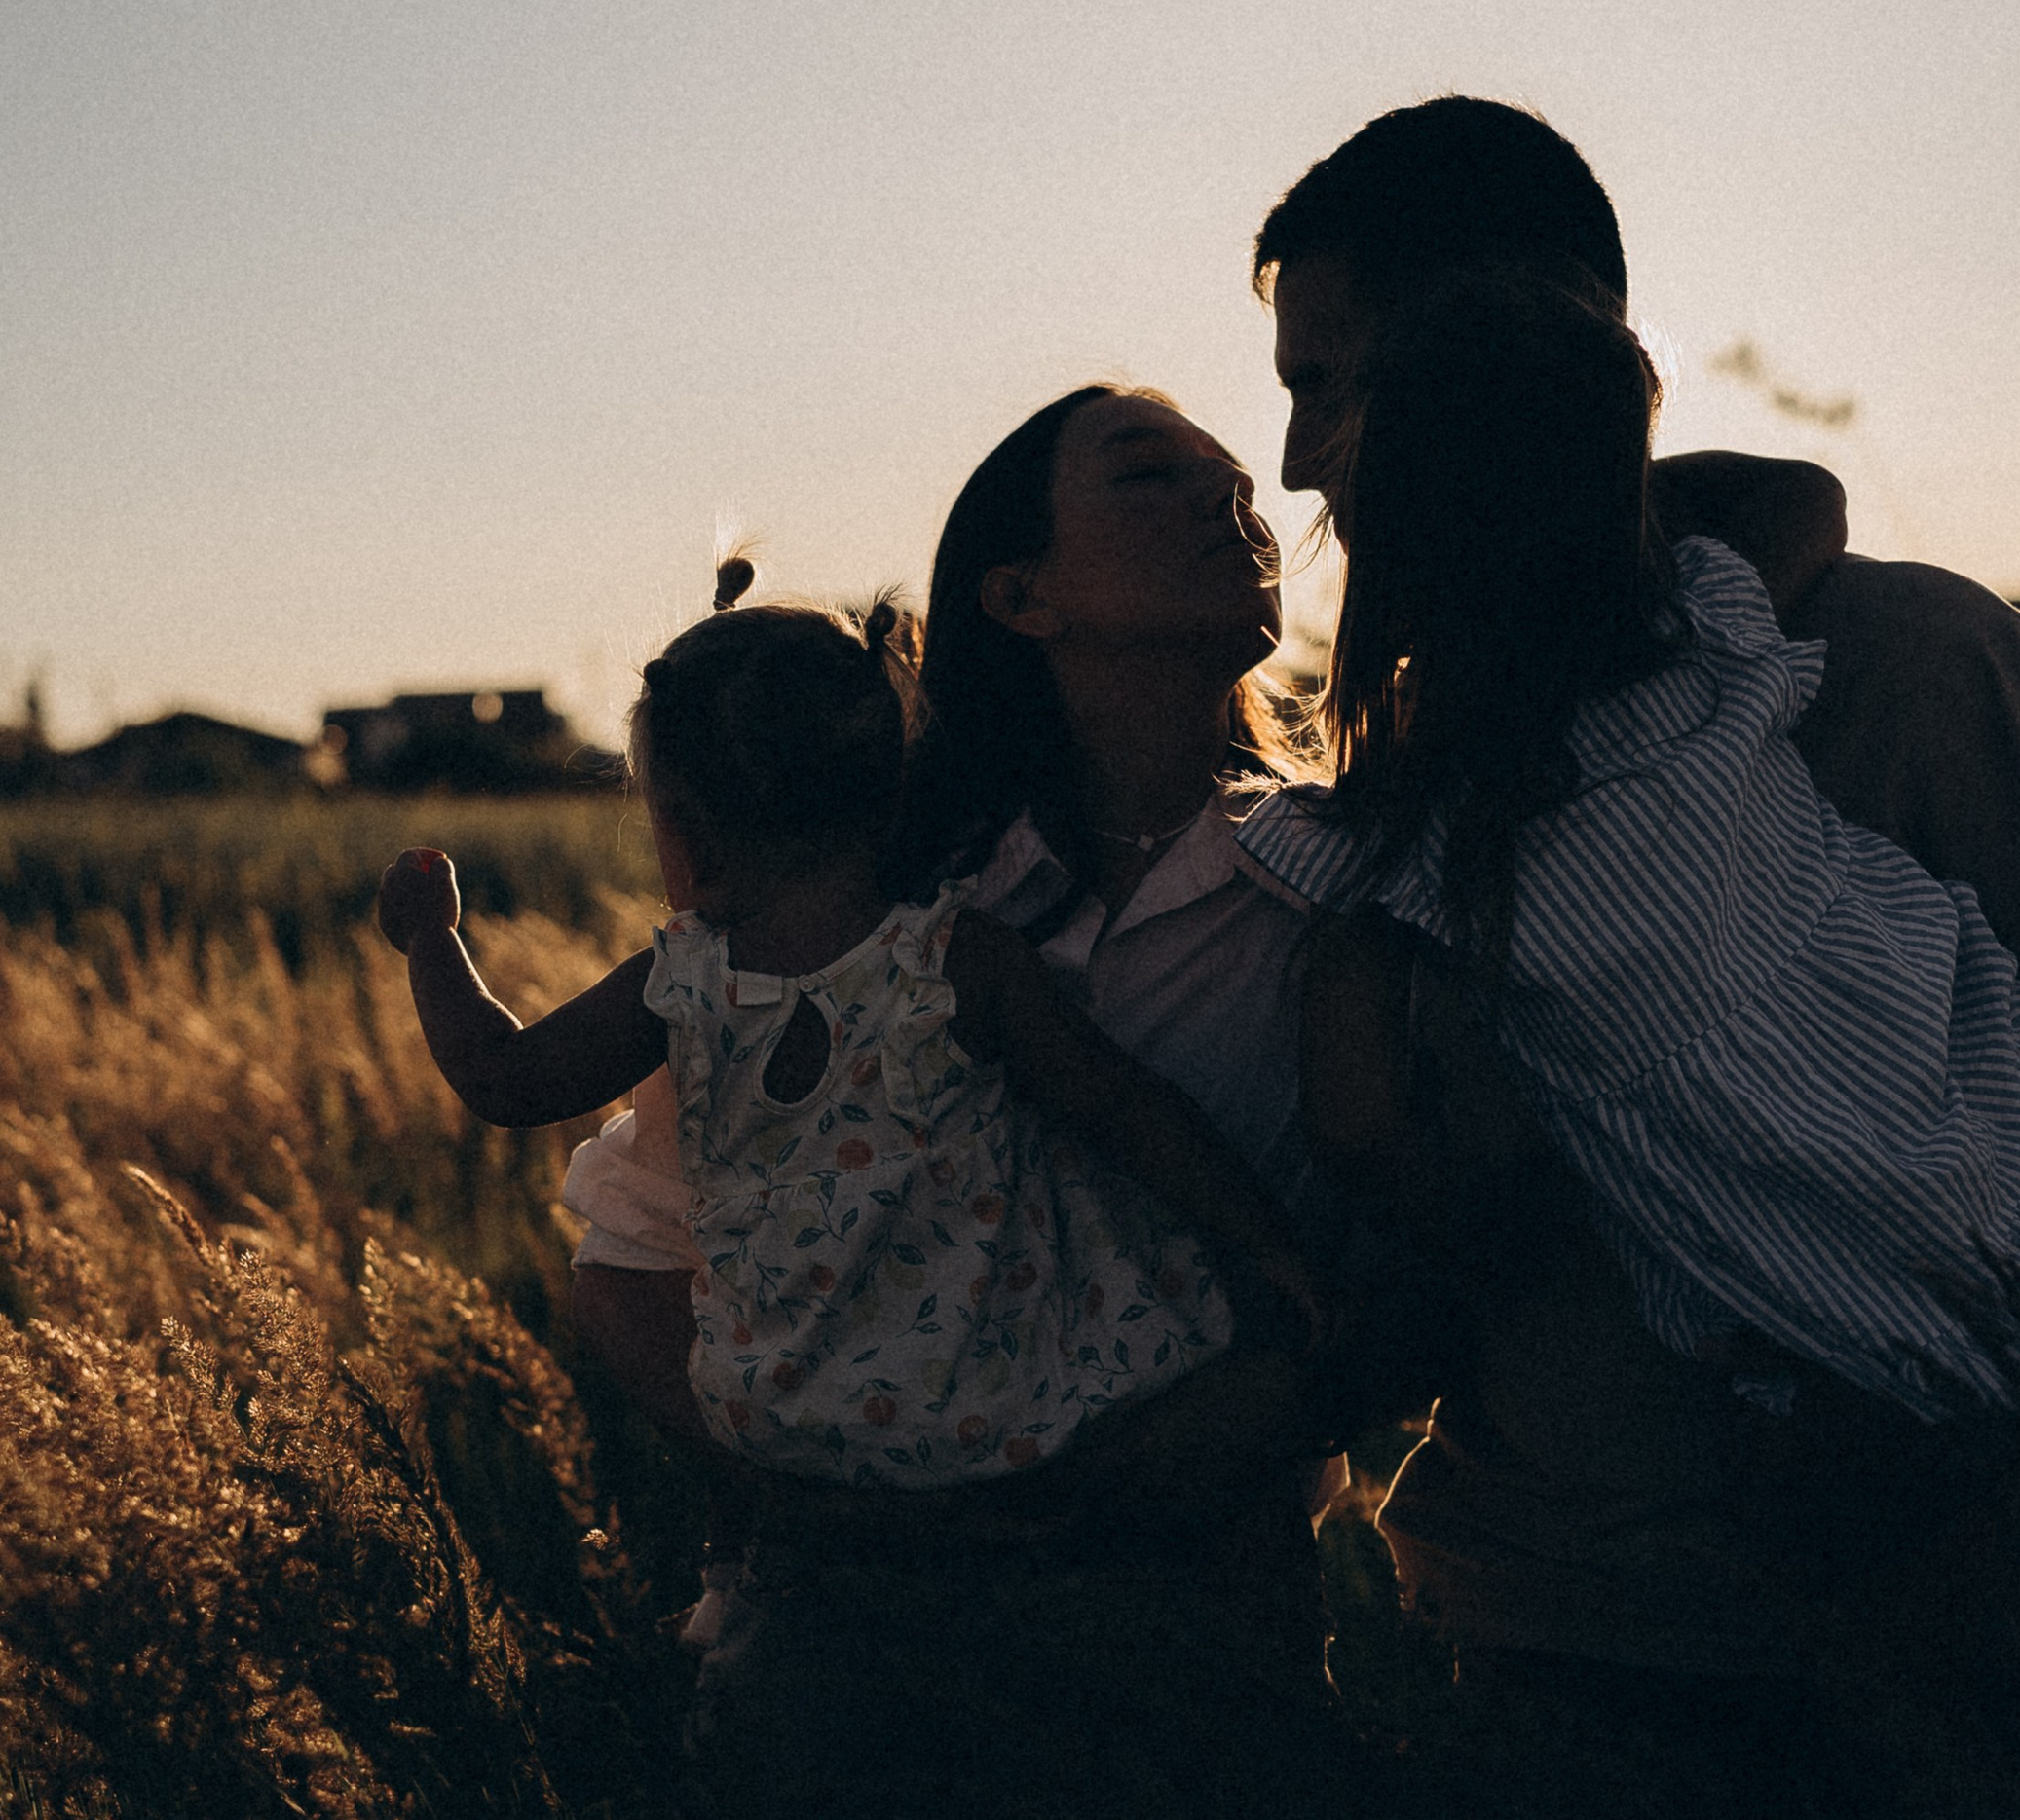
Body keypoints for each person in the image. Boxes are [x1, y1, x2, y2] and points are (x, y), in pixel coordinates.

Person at [1255, 94, 2020, 1293]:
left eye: (1325, 387)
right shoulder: (1416, 737)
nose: (1294, 464)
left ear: (1486, 364)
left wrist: (2003, 1426)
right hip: (1502, 1483)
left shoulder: (1906, 657)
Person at [375, 583, 1321, 1501]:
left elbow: (504, 1078)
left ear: (687, 835)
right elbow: (1125, 1110)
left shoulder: (680, 983)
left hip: (788, 1425)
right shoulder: (955, 959)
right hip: (1008, 1410)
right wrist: (1272, 1246)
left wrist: (430, 938)